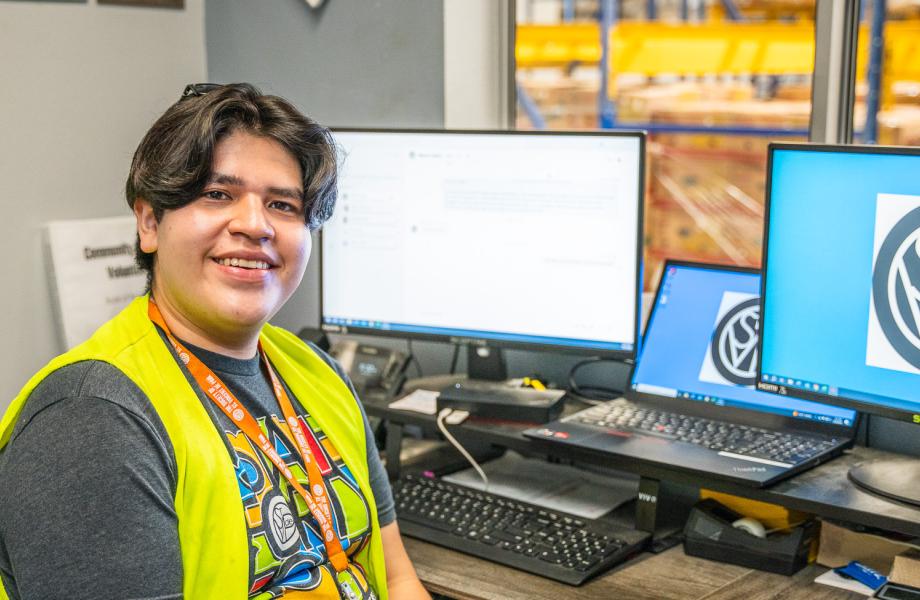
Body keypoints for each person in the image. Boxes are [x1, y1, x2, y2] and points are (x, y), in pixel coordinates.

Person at [0, 83, 430, 600]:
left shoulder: (315, 372)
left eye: (283, 204)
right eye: (217, 195)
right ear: (149, 223)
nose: (254, 224)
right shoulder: (92, 419)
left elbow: (397, 575)